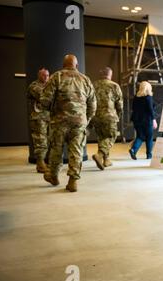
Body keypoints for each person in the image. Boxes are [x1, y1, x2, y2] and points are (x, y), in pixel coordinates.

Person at [40, 54, 97, 192]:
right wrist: (86, 119)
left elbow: (44, 100)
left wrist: (51, 112)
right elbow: (93, 105)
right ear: (76, 66)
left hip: (59, 121)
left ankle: (53, 176)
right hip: (79, 123)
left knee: (56, 149)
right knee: (76, 150)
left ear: (63, 64)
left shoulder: (56, 77)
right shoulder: (86, 80)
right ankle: (73, 181)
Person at [91, 67, 123, 170]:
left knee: (102, 138)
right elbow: (119, 104)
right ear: (110, 74)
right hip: (109, 116)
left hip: (96, 117)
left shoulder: (93, 85)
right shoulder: (114, 86)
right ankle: (99, 155)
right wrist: (118, 115)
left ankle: (106, 160)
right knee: (111, 136)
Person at [27, 68, 50, 173]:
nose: (46, 77)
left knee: (50, 141)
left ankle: (47, 162)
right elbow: (44, 96)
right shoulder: (34, 86)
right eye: (43, 75)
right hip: (38, 117)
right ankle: (40, 164)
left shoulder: (50, 86)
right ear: (39, 75)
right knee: (40, 141)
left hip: (49, 117)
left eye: (47, 75)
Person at [129, 81, 157, 160]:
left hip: (136, 120)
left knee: (140, 136)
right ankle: (149, 155)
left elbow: (133, 108)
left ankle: (133, 149)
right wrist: (154, 120)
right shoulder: (148, 97)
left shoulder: (136, 97)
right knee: (149, 137)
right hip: (147, 120)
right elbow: (150, 110)